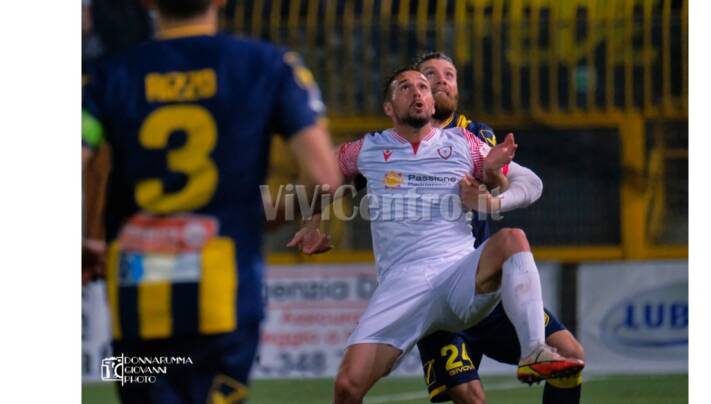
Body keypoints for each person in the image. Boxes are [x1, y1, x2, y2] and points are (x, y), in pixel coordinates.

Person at [81, 0, 342, 402]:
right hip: (224, 290)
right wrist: (256, 218)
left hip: (138, 291)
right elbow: (324, 180)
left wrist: (84, 238)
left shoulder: (106, 75)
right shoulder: (270, 65)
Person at [291, 68, 583, 404]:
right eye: (405, 87)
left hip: (458, 275)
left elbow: (513, 182)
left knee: (512, 238)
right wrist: (311, 224)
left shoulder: (465, 143)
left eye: (423, 88)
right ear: (389, 107)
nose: (417, 93)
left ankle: (534, 350)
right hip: (403, 284)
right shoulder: (368, 148)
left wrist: (492, 181)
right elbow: (320, 178)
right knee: (347, 387)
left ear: (432, 104)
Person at [414, 52, 586, 404]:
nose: (442, 79)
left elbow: (506, 184)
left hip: (487, 288)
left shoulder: (476, 134)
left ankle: (534, 351)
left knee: (570, 356)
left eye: (449, 74)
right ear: (413, 90)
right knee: (470, 398)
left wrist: (491, 185)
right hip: (437, 295)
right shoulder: (400, 145)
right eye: (430, 74)